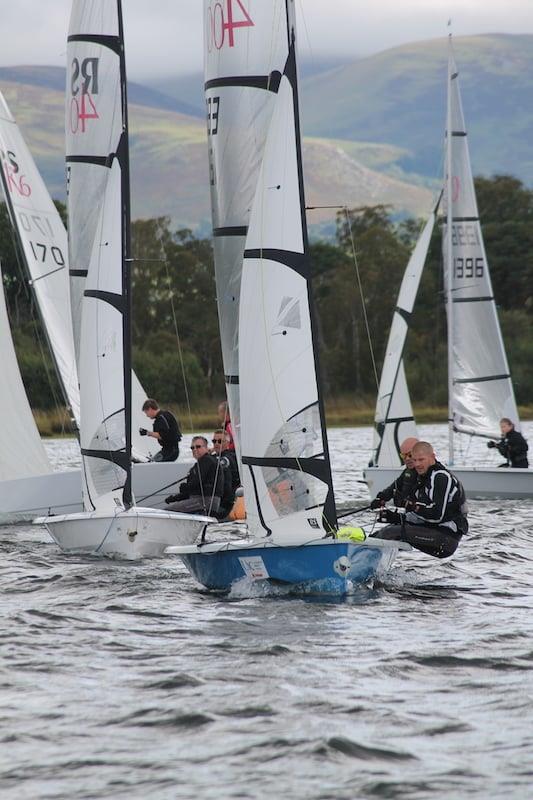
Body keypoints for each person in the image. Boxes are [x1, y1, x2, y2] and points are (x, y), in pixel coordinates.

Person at [370, 441, 467, 559]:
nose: (417, 464)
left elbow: (436, 515)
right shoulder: (422, 476)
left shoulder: (440, 477)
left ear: (432, 457)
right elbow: (421, 516)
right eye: (415, 460)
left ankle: (364, 562)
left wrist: (409, 505)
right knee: (381, 533)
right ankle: (362, 557)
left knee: (390, 533)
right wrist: (396, 517)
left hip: (446, 538)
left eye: (421, 460)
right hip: (433, 530)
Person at [165, 436, 223, 515]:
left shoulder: (207, 460)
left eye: (198, 447)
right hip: (198, 500)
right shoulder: (198, 465)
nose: (195, 449)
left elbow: (198, 481)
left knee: (167, 512)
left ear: (206, 448)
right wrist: (175, 498)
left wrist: (185, 487)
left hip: (206, 501)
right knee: (170, 509)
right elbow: (192, 489)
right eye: (192, 448)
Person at [369, 436, 419, 509]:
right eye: (403, 455)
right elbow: (394, 487)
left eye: (410, 455)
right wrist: (380, 498)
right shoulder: (408, 471)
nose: (407, 459)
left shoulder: (430, 473)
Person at [211, 429, 240, 518]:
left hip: (226, 503)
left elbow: (227, 485)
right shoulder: (213, 458)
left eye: (220, 441)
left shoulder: (226, 459)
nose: (216, 443)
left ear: (227, 443)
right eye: (214, 441)